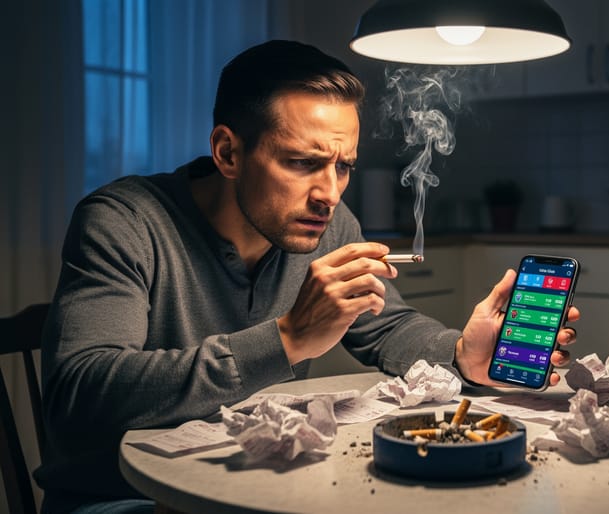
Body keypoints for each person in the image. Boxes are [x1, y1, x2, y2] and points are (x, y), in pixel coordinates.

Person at [34, 40, 578, 513]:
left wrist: (463, 353)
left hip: (258, 484)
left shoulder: (330, 223)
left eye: (343, 166)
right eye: (301, 162)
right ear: (228, 151)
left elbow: (386, 326)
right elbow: (80, 395)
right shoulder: (124, 221)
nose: (330, 193)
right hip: (122, 497)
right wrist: (287, 339)